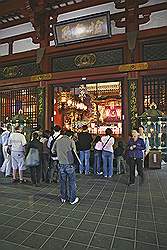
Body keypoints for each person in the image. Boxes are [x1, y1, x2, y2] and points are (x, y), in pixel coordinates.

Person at [52, 130, 79, 205]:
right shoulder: (71, 141)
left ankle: (63, 197)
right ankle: (72, 199)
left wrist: (59, 154)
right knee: (72, 182)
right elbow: (74, 151)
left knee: (62, 182)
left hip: (61, 164)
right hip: (69, 164)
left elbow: (52, 151)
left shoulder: (57, 141)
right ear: (70, 136)